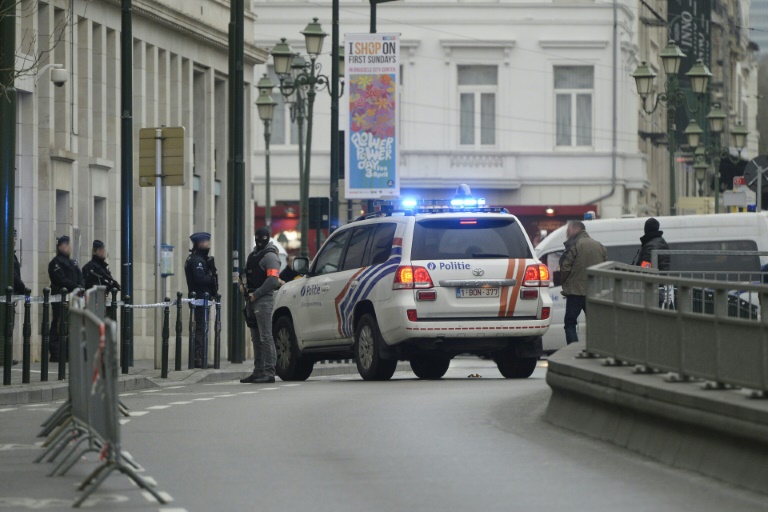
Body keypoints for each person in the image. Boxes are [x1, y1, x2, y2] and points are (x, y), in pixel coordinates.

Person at [240, 227, 282, 384]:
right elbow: (245, 273)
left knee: (265, 337)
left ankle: (269, 372)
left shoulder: (270, 256)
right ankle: (258, 371)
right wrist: (243, 286)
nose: (259, 240)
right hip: (251, 300)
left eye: (262, 238)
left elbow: (272, 280)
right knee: (256, 338)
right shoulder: (253, 255)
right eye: (257, 237)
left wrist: (256, 294)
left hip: (263, 300)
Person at [559, 221, 607, 344]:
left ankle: (573, 349)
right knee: (595, 324)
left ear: (576, 229)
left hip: (575, 291)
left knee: (570, 323)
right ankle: (597, 348)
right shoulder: (599, 246)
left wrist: (563, 281)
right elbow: (606, 267)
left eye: (568, 231)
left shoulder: (574, 245)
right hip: (594, 291)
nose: (567, 234)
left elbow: (565, 268)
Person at [48, 235, 85, 362]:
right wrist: (76, 287)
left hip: (74, 297)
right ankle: (56, 352)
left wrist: (81, 287)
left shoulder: (73, 263)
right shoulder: (55, 263)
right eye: (65, 245)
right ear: (59, 247)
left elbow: (80, 276)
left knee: (72, 325)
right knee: (58, 323)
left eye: (69, 245)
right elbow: (61, 279)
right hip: (60, 298)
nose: (68, 248)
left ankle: (69, 351)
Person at [184, 232, 218, 368]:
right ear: (200, 243)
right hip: (199, 297)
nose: (208, 245)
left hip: (201, 297)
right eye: (206, 242)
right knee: (200, 329)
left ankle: (200, 357)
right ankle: (198, 358)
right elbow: (200, 279)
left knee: (201, 328)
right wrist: (211, 276)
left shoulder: (197, 258)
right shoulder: (196, 260)